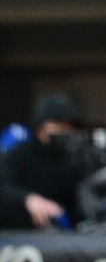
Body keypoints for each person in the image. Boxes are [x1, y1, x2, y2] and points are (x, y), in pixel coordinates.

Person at [0, 93, 94, 229]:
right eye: (58, 123)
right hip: (14, 233)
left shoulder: (71, 162)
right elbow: (4, 187)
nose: (64, 130)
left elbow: (78, 208)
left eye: (69, 126)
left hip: (55, 235)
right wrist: (28, 199)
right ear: (40, 126)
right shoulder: (18, 154)